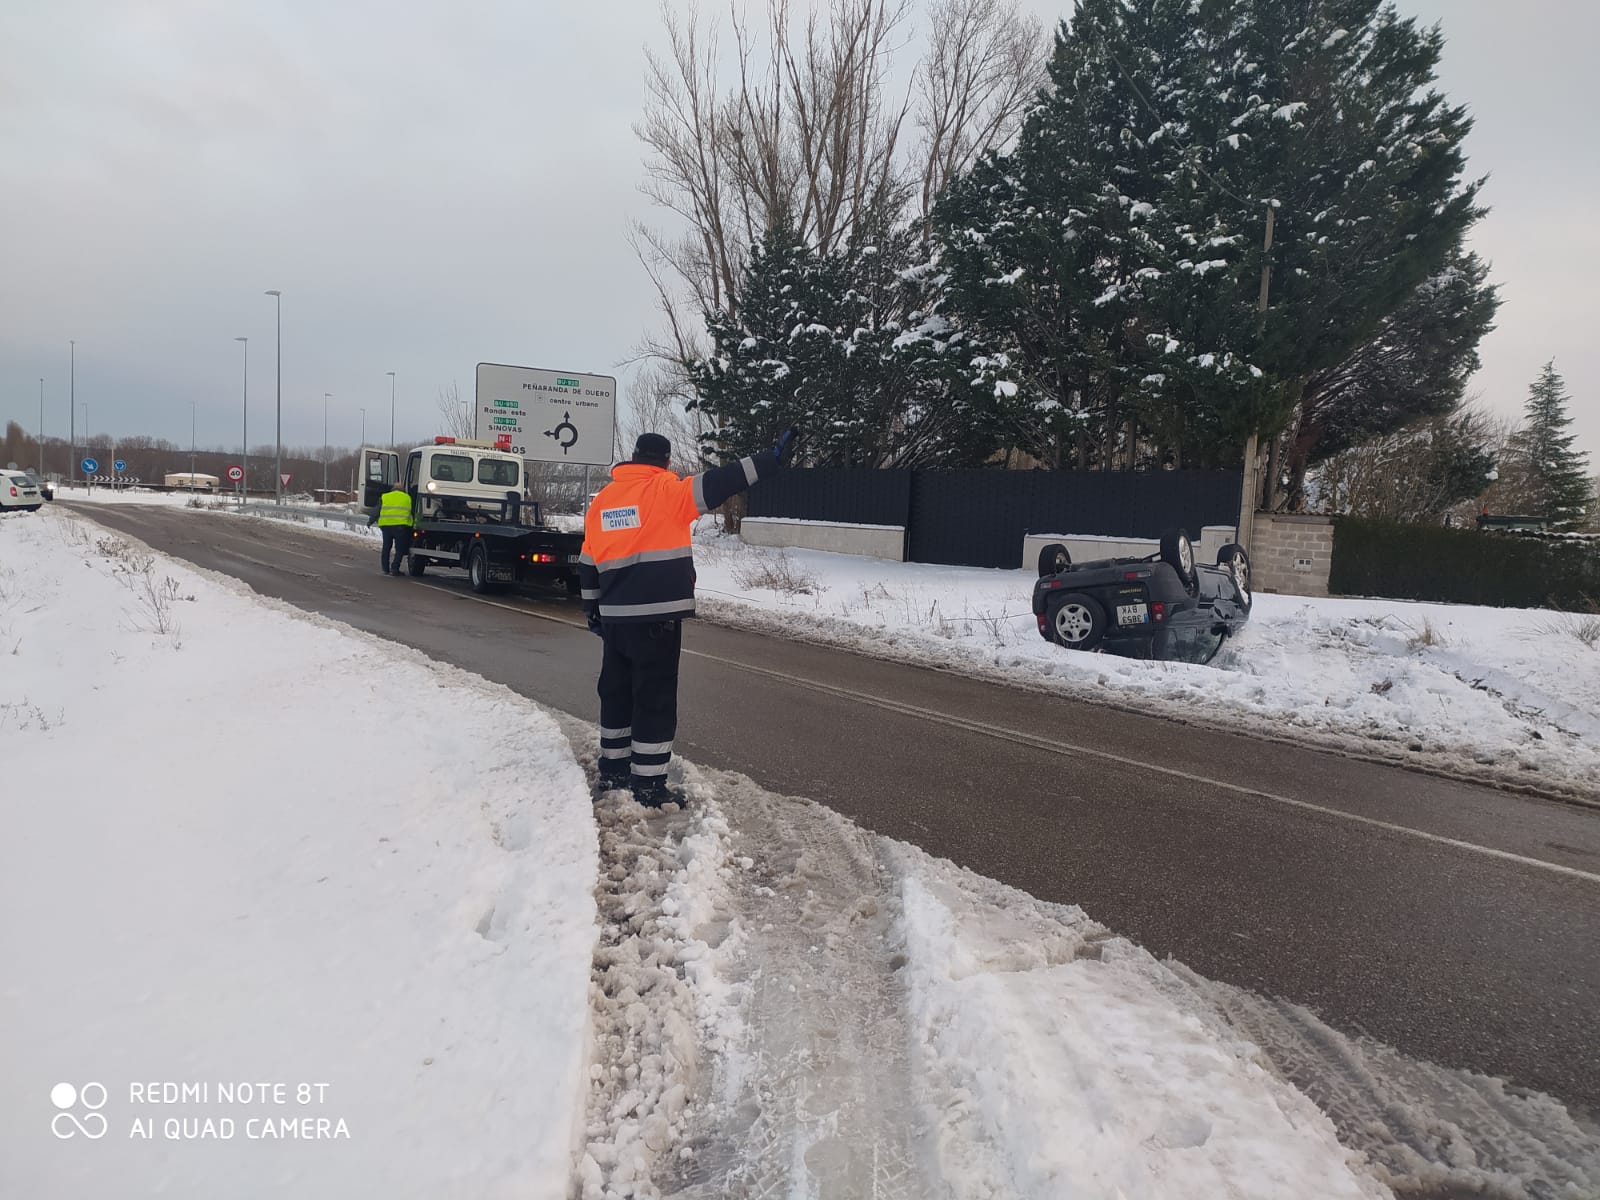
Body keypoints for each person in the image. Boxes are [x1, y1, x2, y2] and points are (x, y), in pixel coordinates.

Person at [579, 429, 797, 806]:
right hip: (657, 619)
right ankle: (647, 787)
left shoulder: (604, 501)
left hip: (615, 620)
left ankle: (613, 773)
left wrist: (593, 610)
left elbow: (587, 561)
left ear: (633, 458)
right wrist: (769, 461)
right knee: (654, 698)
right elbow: (721, 480)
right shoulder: (669, 491)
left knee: (615, 692)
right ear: (664, 461)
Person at [368, 480, 413, 575]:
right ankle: (395, 568)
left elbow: (377, 510)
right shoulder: (407, 498)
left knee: (386, 547)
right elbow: (411, 512)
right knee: (399, 549)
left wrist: (370, 521)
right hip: (400, 526)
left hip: (386, 526)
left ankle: (385, 569)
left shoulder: (385, 496)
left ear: (392, 489)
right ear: (403, 489)